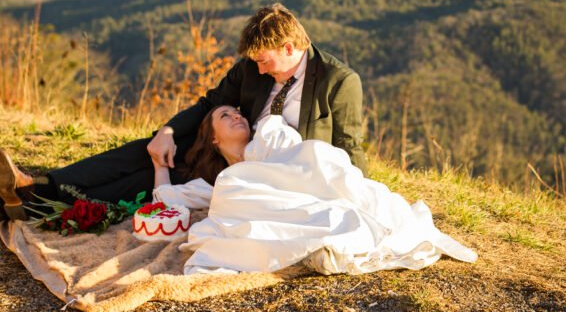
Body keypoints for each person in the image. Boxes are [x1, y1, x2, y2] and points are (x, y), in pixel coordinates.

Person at [0, 3, 366, 221]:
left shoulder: (338, 81)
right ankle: (39, 190)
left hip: (275, 176)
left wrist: (358, 196)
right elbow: (208, 103)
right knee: (151, 151)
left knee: (154, 182)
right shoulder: (252, 67)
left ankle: (42, 206)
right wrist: (166, 131)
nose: (261, 71)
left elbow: (349, 146)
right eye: (256, 63)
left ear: (288, 47)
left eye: (266, 62)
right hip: (231, 144)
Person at [152, 105, 477, 275]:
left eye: (238, 112)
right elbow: (166, 198)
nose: (237, 115)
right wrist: (158, 163)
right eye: (225, 115)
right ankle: (321, 238)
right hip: (256, 196)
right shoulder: (223, 182)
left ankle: (346, 223)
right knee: (229, 186)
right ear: (212, 137)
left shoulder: (267, 136)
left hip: (306, 182)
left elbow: (303, 155)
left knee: (317, 154)